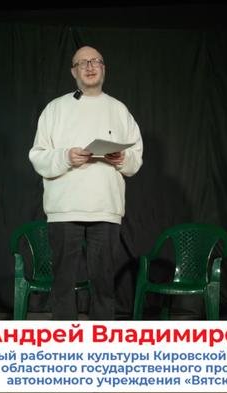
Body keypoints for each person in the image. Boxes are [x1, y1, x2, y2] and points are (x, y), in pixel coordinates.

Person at [29, 45, 143, 320]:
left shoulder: (118, 109)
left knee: (104, 283)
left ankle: (101, 339)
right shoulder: (55, 109)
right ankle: (65, 339)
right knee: (63, 283)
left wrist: (121, 158)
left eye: (95, 61)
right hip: (64, 209)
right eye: (82, 63)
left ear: (104, 68)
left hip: (105, 208)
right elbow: (38, 157)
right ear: (73, 72)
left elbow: (135, 160)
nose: (90, 66)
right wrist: (66, 156)